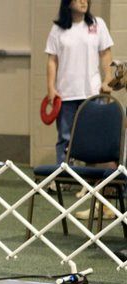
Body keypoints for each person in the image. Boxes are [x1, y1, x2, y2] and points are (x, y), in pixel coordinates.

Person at [45, 0, 115, 218]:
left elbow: (105, 54)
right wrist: (51, 88)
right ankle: (63, 180)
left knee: (94, 141)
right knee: (65, 138)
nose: (84, 1)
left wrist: (108, 79)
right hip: (65, 94)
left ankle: (94, 185)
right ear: (68, 3)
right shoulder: (58, 29)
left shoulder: (97, 24)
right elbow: (52, 60)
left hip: (91, 93)